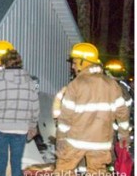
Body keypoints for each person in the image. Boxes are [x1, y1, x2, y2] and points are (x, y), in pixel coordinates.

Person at [53, 43, 130, 176]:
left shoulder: (76, 84)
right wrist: (123, 135)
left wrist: (60, 138)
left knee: (63, 171)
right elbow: (122, 113)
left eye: (75, 62)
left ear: (84, 62)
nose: (73, 66)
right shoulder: (111, 84)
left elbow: (65, 117)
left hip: (75, 143)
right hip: (100, 144)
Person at [0, 41, 40, 176]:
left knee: (1, 161)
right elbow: (34, 106)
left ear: (1, 60)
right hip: (20, 128)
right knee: (16, 163)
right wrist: (32, 126)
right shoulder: (28, 80)